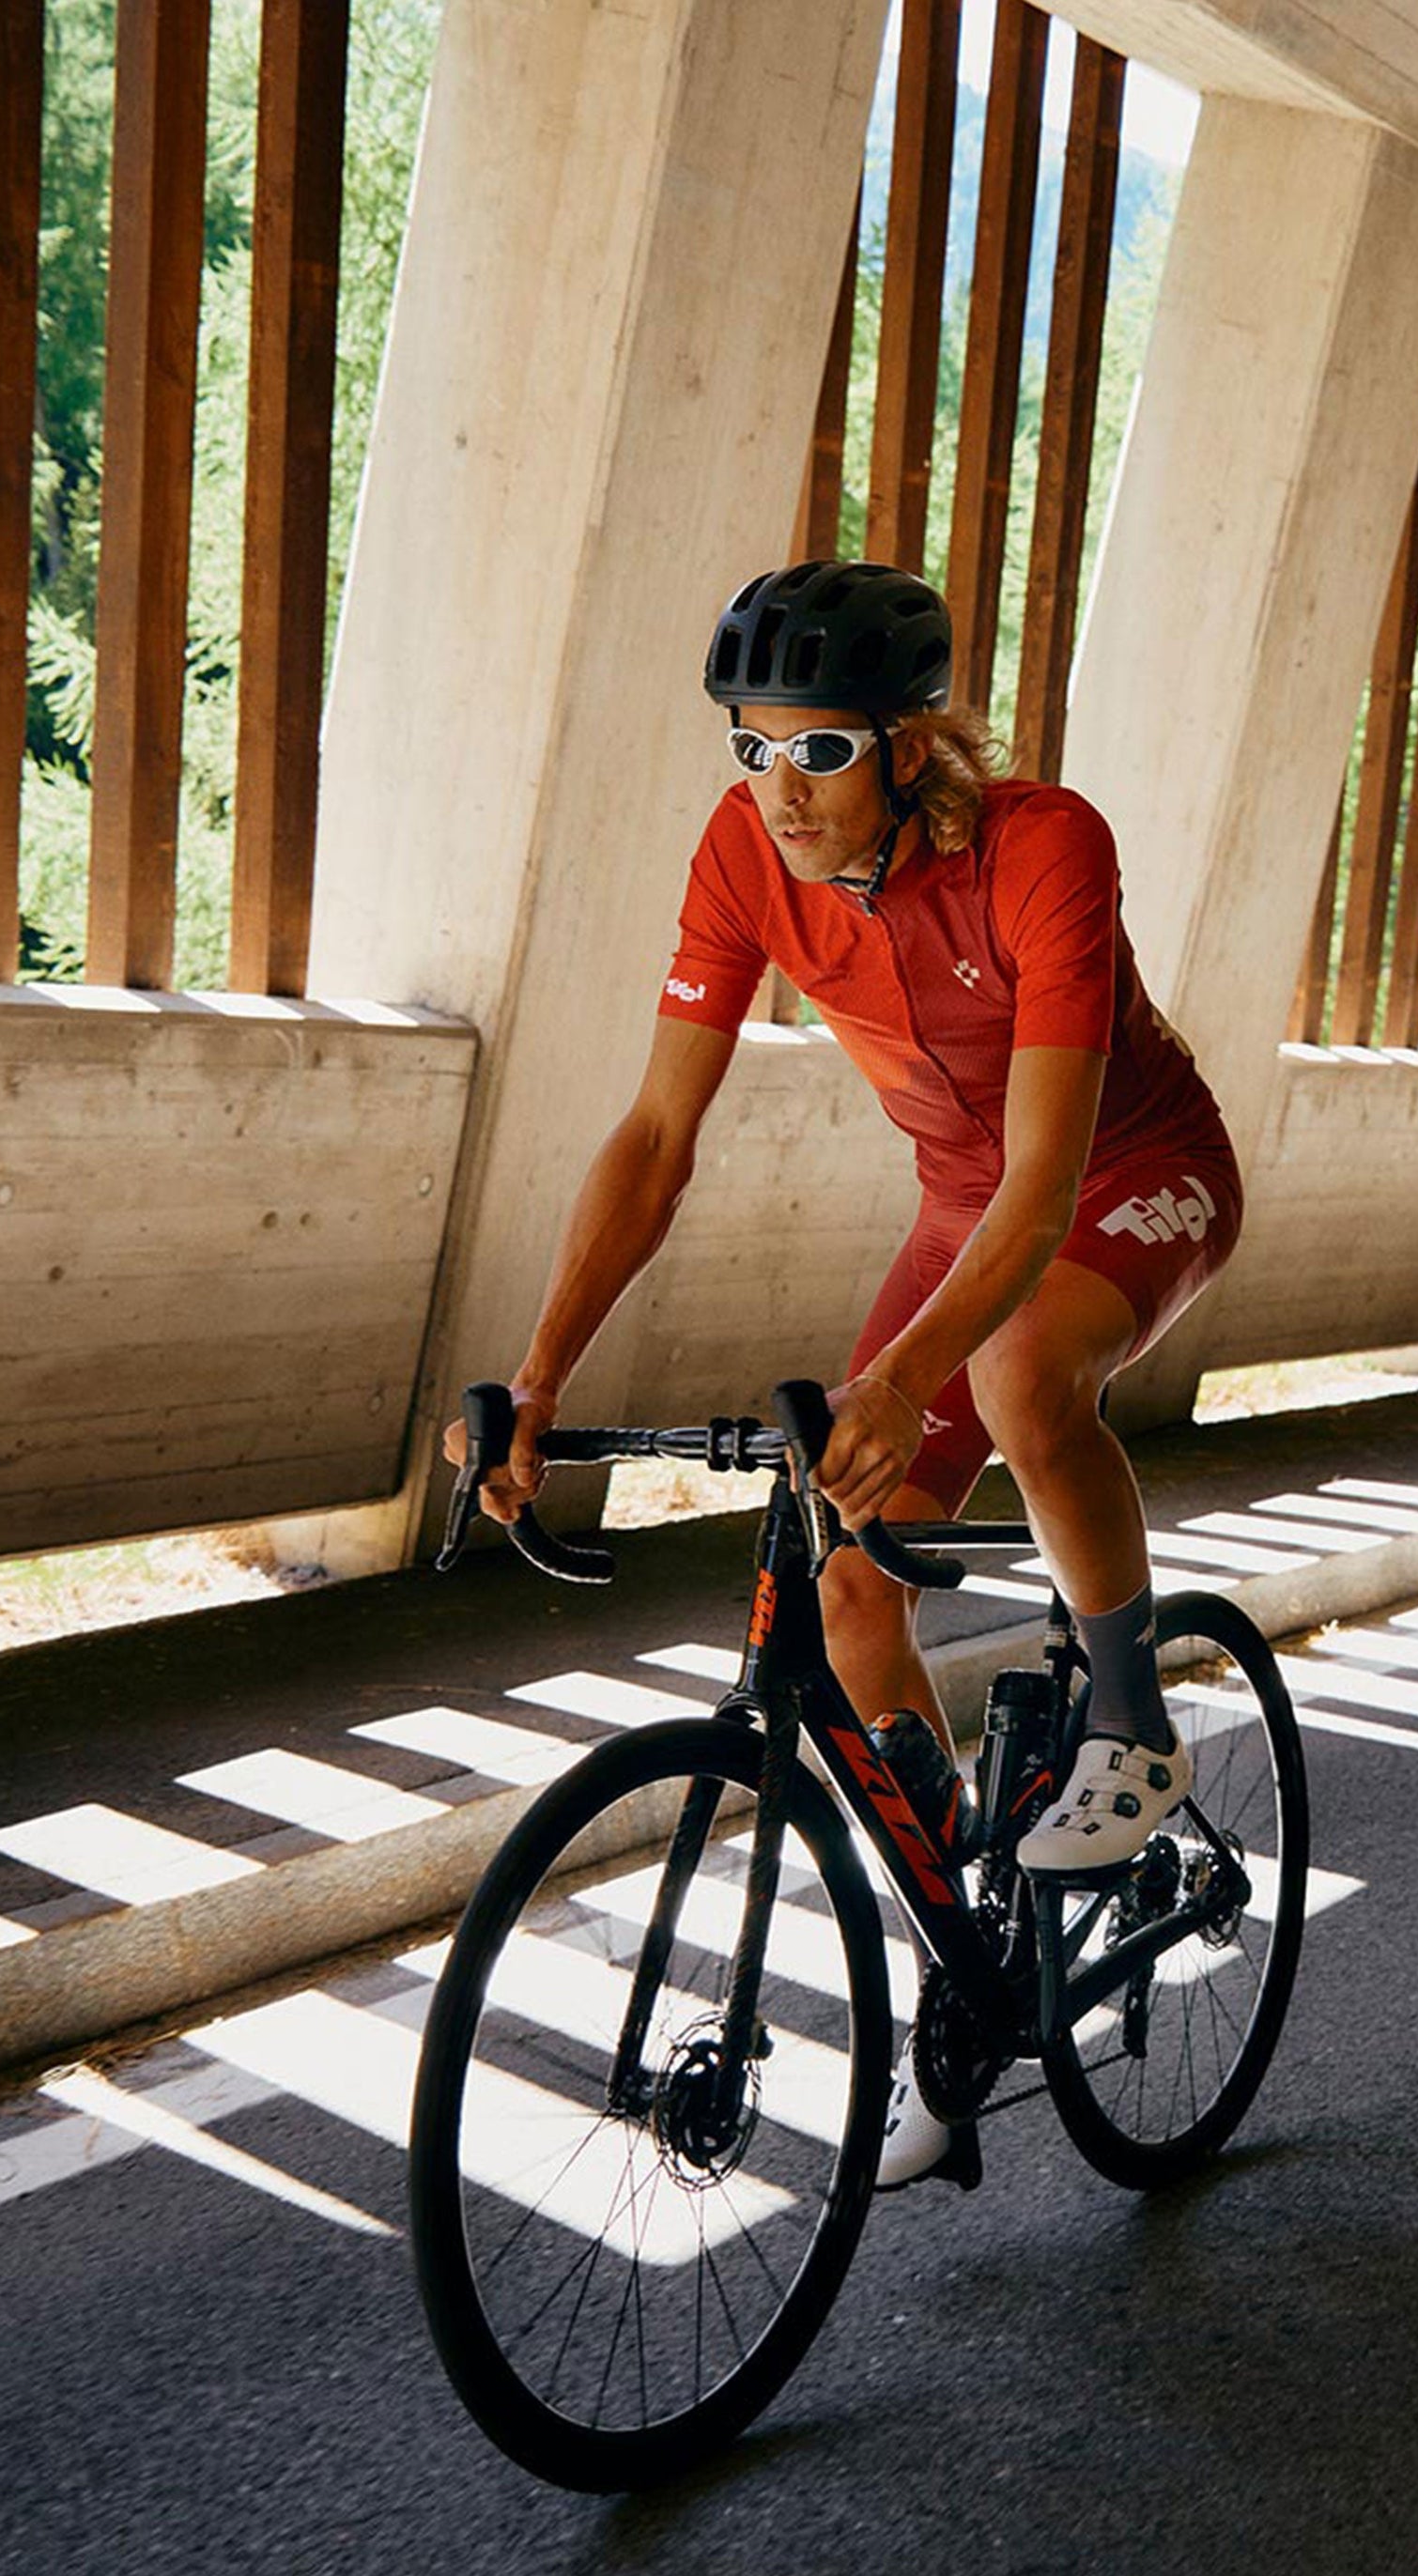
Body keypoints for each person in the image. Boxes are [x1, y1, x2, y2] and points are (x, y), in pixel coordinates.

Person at [457, 557, 1244, 2186]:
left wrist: (906, 1376)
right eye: (752, 746)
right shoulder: (750, 854)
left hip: (1125, 1177)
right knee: (846, 1574)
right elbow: (660, 1134)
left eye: (819, 750)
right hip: (973, 1216)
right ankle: (965, 1942)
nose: (780, 788)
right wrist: (538, 1381)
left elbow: (1044, 1184)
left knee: (1024, 1384)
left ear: (909, 743)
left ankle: (1133, 1721)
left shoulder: (1043, 844)